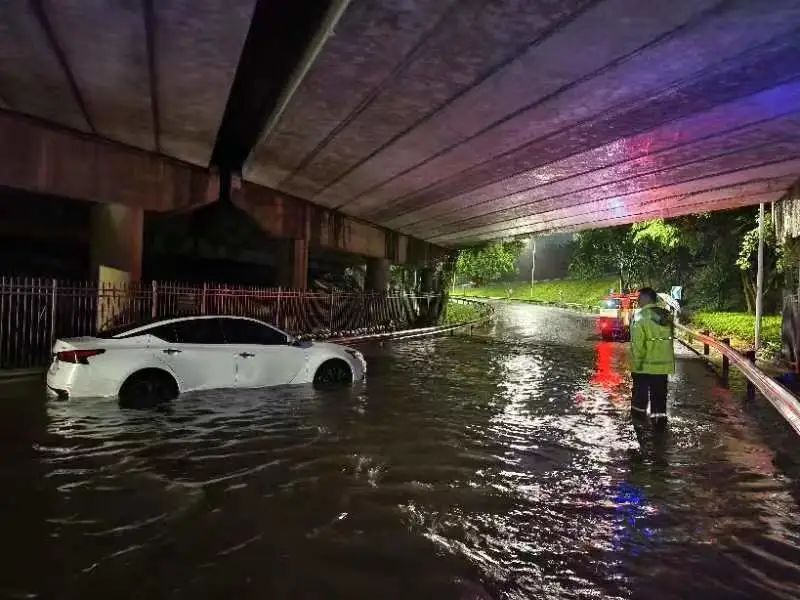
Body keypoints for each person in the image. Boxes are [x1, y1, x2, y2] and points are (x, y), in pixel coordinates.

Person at [630, 287, 675, 425]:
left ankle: (638, 425)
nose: (637, 300)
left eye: (639, 297)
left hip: (644, 366)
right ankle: (659, 424)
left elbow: (638, 346)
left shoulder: (639, 318)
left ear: (646, 298)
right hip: (663, 367)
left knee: (640, 400)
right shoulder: (666, 316)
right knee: (659, 398)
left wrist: (636, 366)